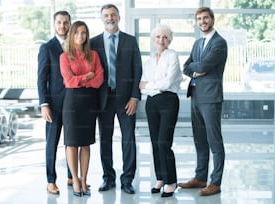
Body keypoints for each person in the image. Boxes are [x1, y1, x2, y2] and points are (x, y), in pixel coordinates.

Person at [90, 4, 142, 194]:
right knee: (105, 139)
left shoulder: (130, 41)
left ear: (119, 17)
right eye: (106, 15)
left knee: (128, 139)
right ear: (102, 18)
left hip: (126, 98)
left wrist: (135, 96)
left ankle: (127, 179)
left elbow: (138, 70)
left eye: (113, 15)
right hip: (103, 99)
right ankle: (108, 178)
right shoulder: (93, 43)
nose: (110, 18)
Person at [178, 7, 227, 196]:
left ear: (212, 19)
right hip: (196, 96)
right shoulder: (198, 43)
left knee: (214, 140)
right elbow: (186, 66)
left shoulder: (219, 43)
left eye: (205, 18)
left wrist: (197, 68)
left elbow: (205, 65)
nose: (202, 22)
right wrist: (195, 69)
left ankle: (215, 182)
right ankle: (200, 177)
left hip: (211, 98)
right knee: (199, 139)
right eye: (199, 19)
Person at [59, 21, 104, 197]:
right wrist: (87, 76)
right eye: (77, 32)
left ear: (87, 35)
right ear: (71, 35)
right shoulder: (64, 57)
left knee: (85, 143)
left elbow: (99, 79)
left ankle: (85, 180)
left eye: (84, 33)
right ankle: (75, 180)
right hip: (71, 103)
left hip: (89, 103)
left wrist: (80, 79)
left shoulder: (93, 55)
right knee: (71, 143)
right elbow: (68, 81)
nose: (80, 36)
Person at [139, 24, 183, 198]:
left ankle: (171, 181)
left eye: (165, 37)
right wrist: (155, 87)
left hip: (169, 102)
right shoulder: (149, 61)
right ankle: (160, 178)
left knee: (164, 142)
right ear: (153, 39)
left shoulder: (173, 56)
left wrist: (151, 86)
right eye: (158, 37)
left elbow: (168, 83)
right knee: (155, 142)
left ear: (169, 39)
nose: (161, 40)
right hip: (152, 103)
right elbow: (141, 86)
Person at [37, 10, 72, 194]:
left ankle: (71, 176)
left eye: (66, 22)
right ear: (54, 24)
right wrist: (44, 104)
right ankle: (51, 180)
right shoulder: (47, 47)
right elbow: (41, 79)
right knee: (52, 142)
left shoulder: (75, 46)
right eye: (59, 22)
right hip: (54, 105)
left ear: (70, 24)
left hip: (73, 104)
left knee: (71, 141)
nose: (62, 26)